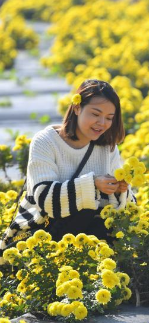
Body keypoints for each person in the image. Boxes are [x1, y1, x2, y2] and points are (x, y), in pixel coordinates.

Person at [0, 79, 132, 251]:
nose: (102, 123)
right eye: (95, 114)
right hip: (38, 233)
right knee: (85, 208)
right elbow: (44, 199)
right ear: (77, 108)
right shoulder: (46, 141)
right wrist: (93, 184)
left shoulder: (108, 148)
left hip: (87, 233)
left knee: (104, 219)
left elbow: (122, 208)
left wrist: (120, 191)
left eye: (109, 118)